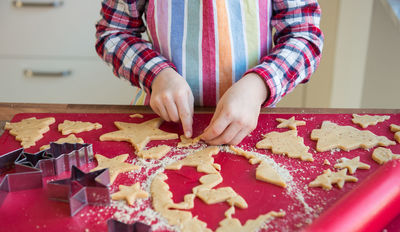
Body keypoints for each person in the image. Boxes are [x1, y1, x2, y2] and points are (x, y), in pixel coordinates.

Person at [95, 0, 323, 145]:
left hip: (252, 125)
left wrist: (258, 86)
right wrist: (157, 73)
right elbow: (113, 33)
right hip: (163, 125)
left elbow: (304, 36)